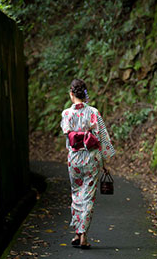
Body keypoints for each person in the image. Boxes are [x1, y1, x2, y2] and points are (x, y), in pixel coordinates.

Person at [60, 79, 115, 249]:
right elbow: (103, 138)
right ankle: (83, 234)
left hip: (75, 158)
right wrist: (106, 161)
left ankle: (77, 232)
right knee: (88, 195)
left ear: (71, 94)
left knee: (76, 193)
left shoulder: (66, 114)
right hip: (92, 157)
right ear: (84, 94)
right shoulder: (93, 112)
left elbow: (68, 138)